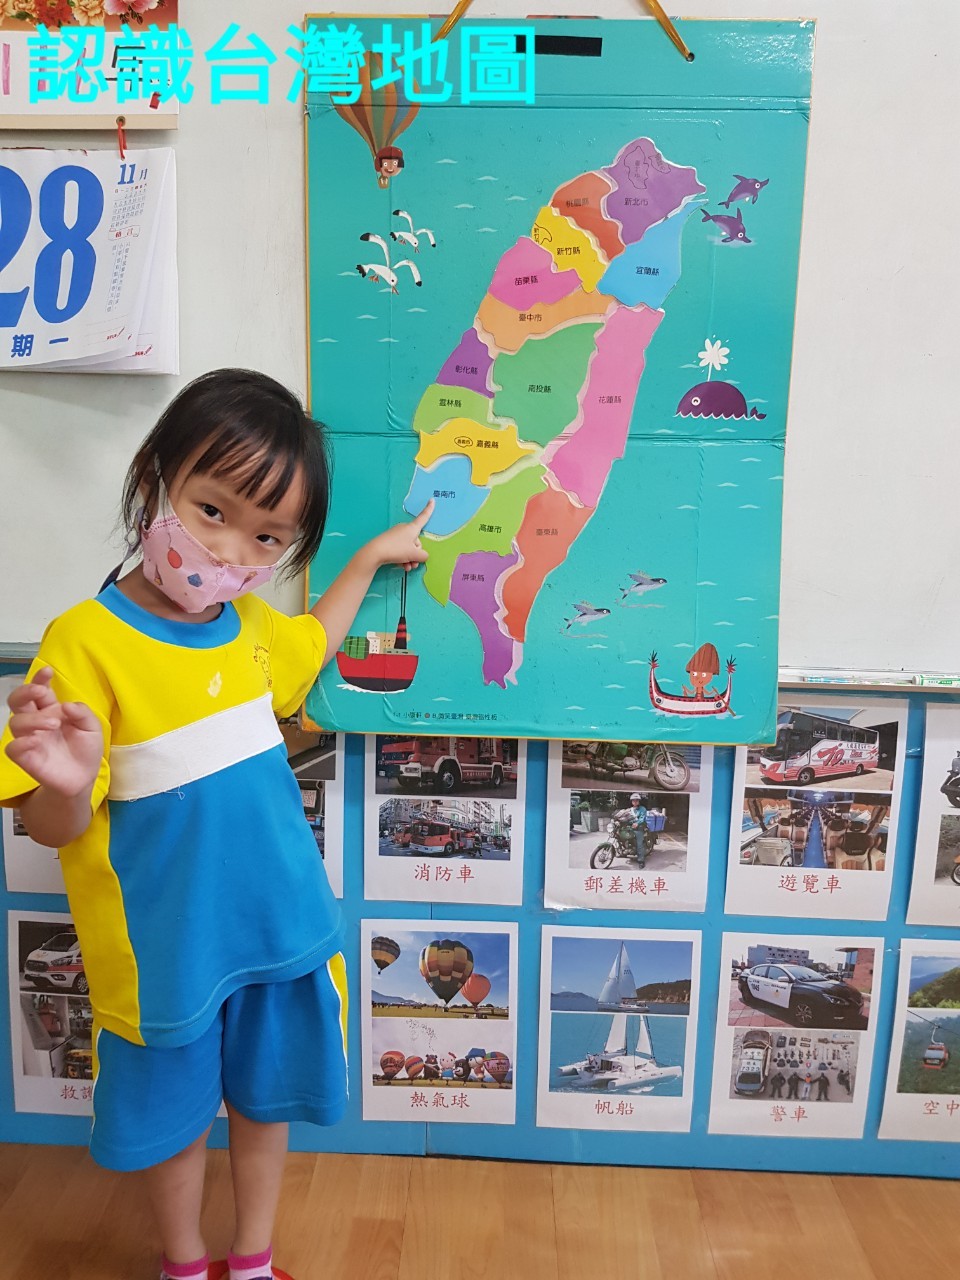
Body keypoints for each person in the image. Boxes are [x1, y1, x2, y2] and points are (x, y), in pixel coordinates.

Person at [0, 370, 433, 1280]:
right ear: (156, 477)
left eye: (266, 535)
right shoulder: (82, 641)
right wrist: (65, 784)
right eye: (210, 510)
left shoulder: (252, 628)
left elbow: (312, 643)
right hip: (166, 955)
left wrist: (365, 560)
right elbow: (53, 824)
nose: (230, 548)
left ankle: (253, 1262)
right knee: (173, 1122)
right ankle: (185, 1265)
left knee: (266, 1104)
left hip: (281, 929)